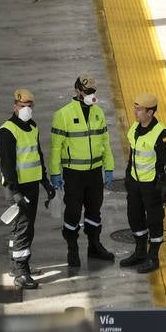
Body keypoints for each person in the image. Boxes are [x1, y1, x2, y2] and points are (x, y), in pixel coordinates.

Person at [49, 75, 116, 268]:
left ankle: (94, 246)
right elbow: (55, 148)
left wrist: (109, 167)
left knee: (94, 210)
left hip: (94, 172)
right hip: (74, 174)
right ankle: (72, 248)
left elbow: (105, 142)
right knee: (73, 211)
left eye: (93, 92)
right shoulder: (63, 114)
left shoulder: (98, 113)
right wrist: (55, 173)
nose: (91, 95)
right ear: (78, 91)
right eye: (87, 92)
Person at [0, 88, 56, 289]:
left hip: (31, 186)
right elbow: (7, 165)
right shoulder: (6, 132)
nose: (26, 109)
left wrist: (45, 182)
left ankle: (18, 266)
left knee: (23, 228)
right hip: (17, 189)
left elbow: (36, 156)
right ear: (15, 107)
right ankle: (21, 273)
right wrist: (15, 192)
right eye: (22, 106)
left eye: (30, 106)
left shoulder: (32, 127)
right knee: (22, 229)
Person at [119, 93, 166, 274]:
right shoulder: (134, 129)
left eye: (139, 109)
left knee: (154, 221)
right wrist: (128, 178)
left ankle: (153, 257)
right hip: (135, 184)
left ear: (150, 112)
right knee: (134, 217)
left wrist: (165, 185)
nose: (135, 112)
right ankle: (139, 252)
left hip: (152, 186)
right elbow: (133, 156)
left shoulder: (162, 135)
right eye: (135, 108)